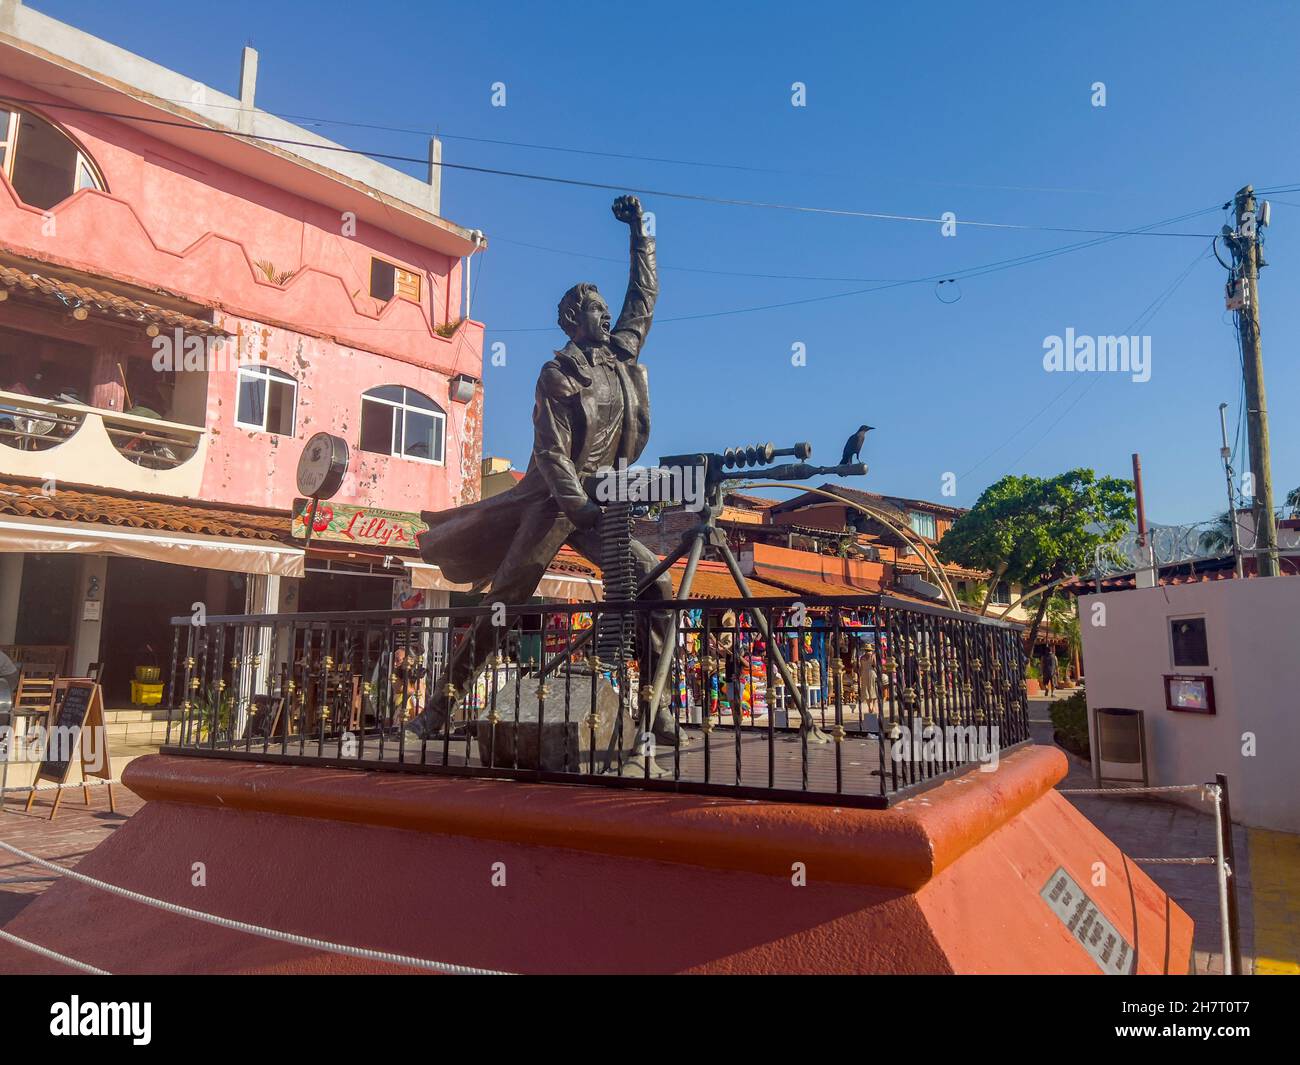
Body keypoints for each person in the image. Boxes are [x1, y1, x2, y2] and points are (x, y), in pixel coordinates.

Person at [408, 195, 678, 744]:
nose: (608, 315)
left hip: (607, 499)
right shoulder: (558, 373)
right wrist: (580, 508)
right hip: (557, 501)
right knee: (503, 605)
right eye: (596, 310)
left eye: (607, 309)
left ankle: (653, 708)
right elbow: (553, 452)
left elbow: (643, 297)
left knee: (658, 585)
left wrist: (639, 235)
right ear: (573, 321)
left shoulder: (621, 356)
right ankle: (440, 703)